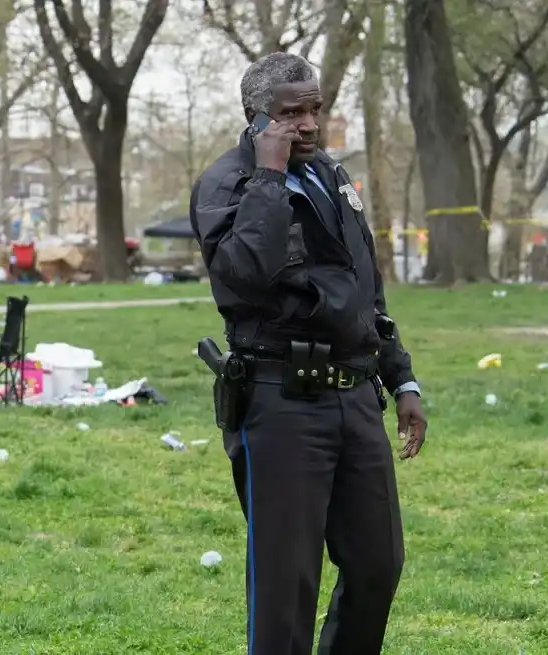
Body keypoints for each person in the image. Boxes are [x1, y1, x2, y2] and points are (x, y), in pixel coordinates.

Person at [190, 52, 429, 655]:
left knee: (379, 564)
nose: (307, 124)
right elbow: (247, 274)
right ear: (256, 118)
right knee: (286, 584)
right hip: (280, 400)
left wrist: (402, 381)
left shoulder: (332, 176)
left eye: (314, 109)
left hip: (354, 397)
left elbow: (365, 288)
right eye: (290, 113)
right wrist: (268, 178)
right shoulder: (227, 184)